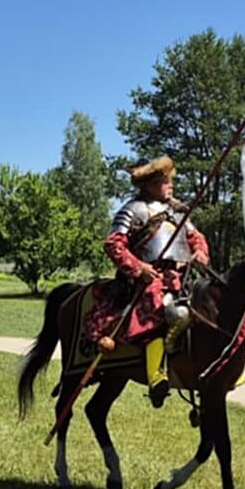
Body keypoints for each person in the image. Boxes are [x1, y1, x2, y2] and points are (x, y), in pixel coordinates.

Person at [87, 155, 210, 408]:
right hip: (147, 280)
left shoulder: (177, 211)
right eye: (165, 181)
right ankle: (157, 377)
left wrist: (200, 252)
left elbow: (196, 237)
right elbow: (113, 245)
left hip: (181, 276)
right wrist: (139, 267)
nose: (171, 185)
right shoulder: (134, 210)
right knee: (160, 310)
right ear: (151, 184)